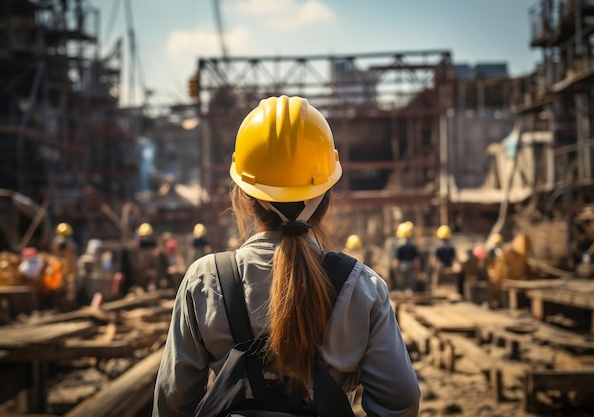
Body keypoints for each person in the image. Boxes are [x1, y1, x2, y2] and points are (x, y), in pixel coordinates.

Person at [153, 95, 420, 416]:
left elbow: (173, 400)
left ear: (245, 198)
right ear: (325, 199)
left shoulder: (205, 280)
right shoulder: (363, 288)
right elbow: (401, 400)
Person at [391, 221, 421, 293]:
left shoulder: (398, 246)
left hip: (402, 266)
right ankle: (411, 292)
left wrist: (395, 271)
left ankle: (400, 292)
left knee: (400, 283)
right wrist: (417, 271)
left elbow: (396, 260)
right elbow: (416, 260)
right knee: (411, 283)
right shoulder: (412, 245)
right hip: (411, 265)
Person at [428, 224, 457, 293]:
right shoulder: (451, 247)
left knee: (437, 287)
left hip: (440, 269)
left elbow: (433, 260)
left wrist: (433, 268)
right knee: (451, 287)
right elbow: (455, 259)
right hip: (449, 269)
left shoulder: (437, 247)